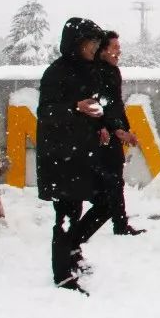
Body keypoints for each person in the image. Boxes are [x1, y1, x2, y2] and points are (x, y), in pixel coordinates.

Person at [38, 17, 113, 293]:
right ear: (77, 43)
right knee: (66, 214)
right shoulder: (56, 72)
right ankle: (63, 274)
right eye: (91, 42)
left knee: (105, 201)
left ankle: (71, 248)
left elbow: (93, 105)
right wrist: (74, 107)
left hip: (83, 152)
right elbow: (46, 112)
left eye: (96, 42)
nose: (95, 47)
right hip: (59, 155)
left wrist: (101, 126)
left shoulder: (88, 70)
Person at [93, 31, 144, 236]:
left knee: (114, 180)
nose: (119, 51)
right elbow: (99, 103)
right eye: (114, 47)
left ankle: (119, 223)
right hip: (100, 133)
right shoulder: (95, 72)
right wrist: (115, 129)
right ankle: (113, 225)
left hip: (112, 131)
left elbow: (116, 104)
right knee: (108, 183)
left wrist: (124, 128)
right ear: (103, 50)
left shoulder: (113, 71)